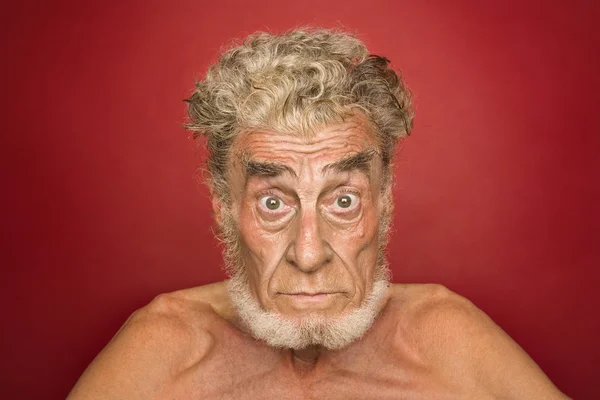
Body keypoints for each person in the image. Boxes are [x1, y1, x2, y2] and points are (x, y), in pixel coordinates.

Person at [67, 28, 569, 399]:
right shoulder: (164, 353)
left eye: (343, 201)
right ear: (223, 206)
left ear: (385, 199)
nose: (309, 254)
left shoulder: (447, 343)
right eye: (273, 202)